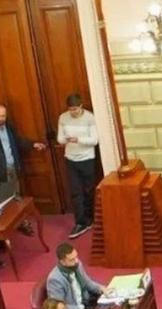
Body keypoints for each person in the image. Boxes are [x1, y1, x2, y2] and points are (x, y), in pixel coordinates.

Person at [0, 104, 47, 193]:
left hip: (13, 166)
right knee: (6, 196)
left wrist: (33, 144)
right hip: (0, 171)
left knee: (17, 193)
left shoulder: (9, 126)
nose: (1, 118)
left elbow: (17, 141)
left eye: (3, 116)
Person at [56, 93, 100, 239]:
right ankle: (80, 222)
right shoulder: (63, 118)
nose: (73, 112)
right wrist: (66, 139)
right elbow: (60, 139)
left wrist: (78, 139)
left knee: (89, 190)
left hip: (87, 159)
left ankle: (90, 218)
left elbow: (94, 140)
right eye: (70, 109)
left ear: (81, 106)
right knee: (76, 192)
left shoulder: (89, 117)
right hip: (71, 159)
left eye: (75, 109)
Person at [46, 242, 105, 309]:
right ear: (62, 262)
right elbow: (58, 306)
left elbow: (87, 282)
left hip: (87, 301)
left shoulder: (76, 265)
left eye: (76, 257)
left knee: (110, 308)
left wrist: (101, 288)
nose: (76, 261)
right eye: (72, 260)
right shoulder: (55, 280)